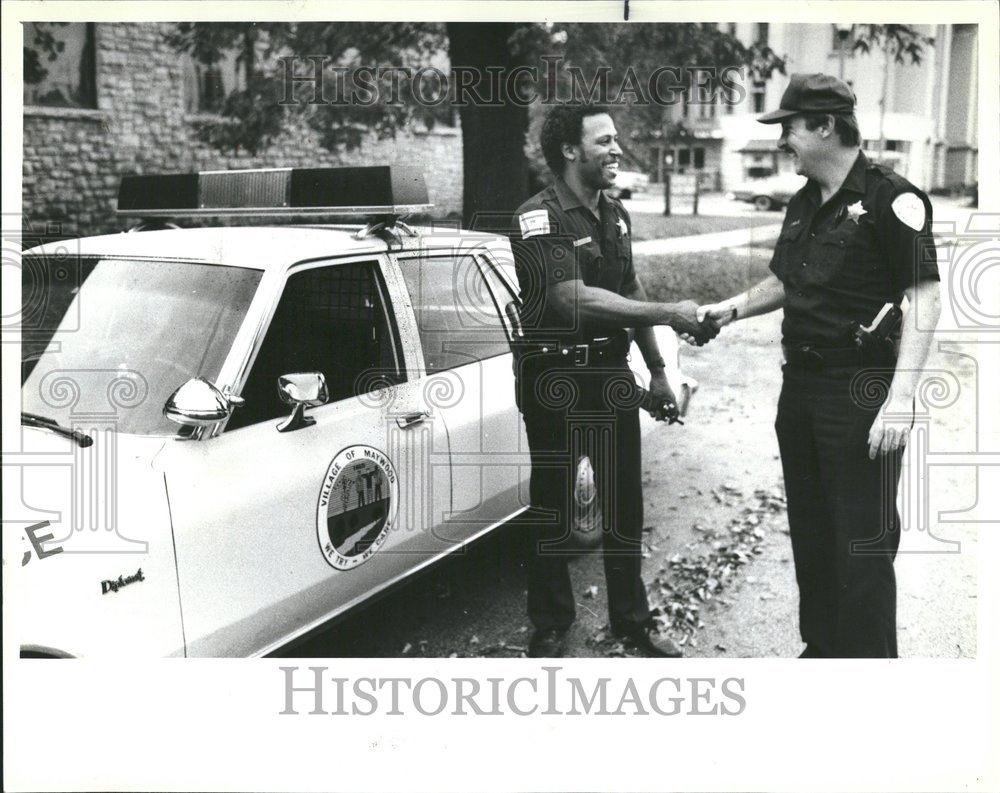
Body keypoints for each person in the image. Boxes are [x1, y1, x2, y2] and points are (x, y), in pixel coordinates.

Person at [693, 73, 941, 657]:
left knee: (862, 542)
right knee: (813, 530)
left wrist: (900, 400)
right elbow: (785, 278)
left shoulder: (892, 198)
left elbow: (925, 297)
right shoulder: (805, 200)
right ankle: (824, 648)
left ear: (826, 126)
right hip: (800, 389)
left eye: (790, 128)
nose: (783, 141)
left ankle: (869, 670)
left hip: (860, 393)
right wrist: (727, 310)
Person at [510, 102, 718, 658]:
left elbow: (630, 292)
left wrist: (657, 372)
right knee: (553, 505)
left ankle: (633, 621)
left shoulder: (616, 214)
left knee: (626, 506)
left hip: (609, 373)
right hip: (553, 375)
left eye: (616, 139)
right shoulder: (539, 217)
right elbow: (570, 298)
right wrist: (671, 311)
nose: (617, 149)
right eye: (604, 141)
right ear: (570, 151)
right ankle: (551, 622)